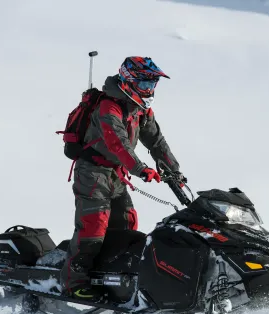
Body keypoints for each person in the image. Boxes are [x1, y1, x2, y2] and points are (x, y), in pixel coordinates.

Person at [60, 56, 186, 299]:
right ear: (129, 81)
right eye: (145, 84)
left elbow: (156, 142)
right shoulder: (109, 107)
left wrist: (174, 170)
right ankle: (74, 283)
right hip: (93, 173)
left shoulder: (140, 109)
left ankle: (113, 276)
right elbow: (118, 144)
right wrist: (141, 169)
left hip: (116, 174)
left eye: (152, 86)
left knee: (126, 224)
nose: (149, 90)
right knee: (93, 228)